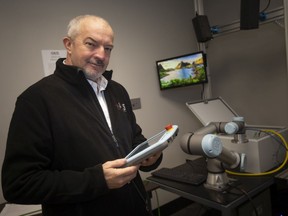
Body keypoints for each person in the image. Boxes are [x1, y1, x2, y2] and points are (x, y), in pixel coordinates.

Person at [2, 15, 163, 216]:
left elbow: (133, 138)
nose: (101, 55)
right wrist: (97, 180)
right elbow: (19, 184)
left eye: (108, 48)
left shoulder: (117, 91)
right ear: (68, 44)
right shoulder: (36, 99)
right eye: (91, 44)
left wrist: (150, 154)